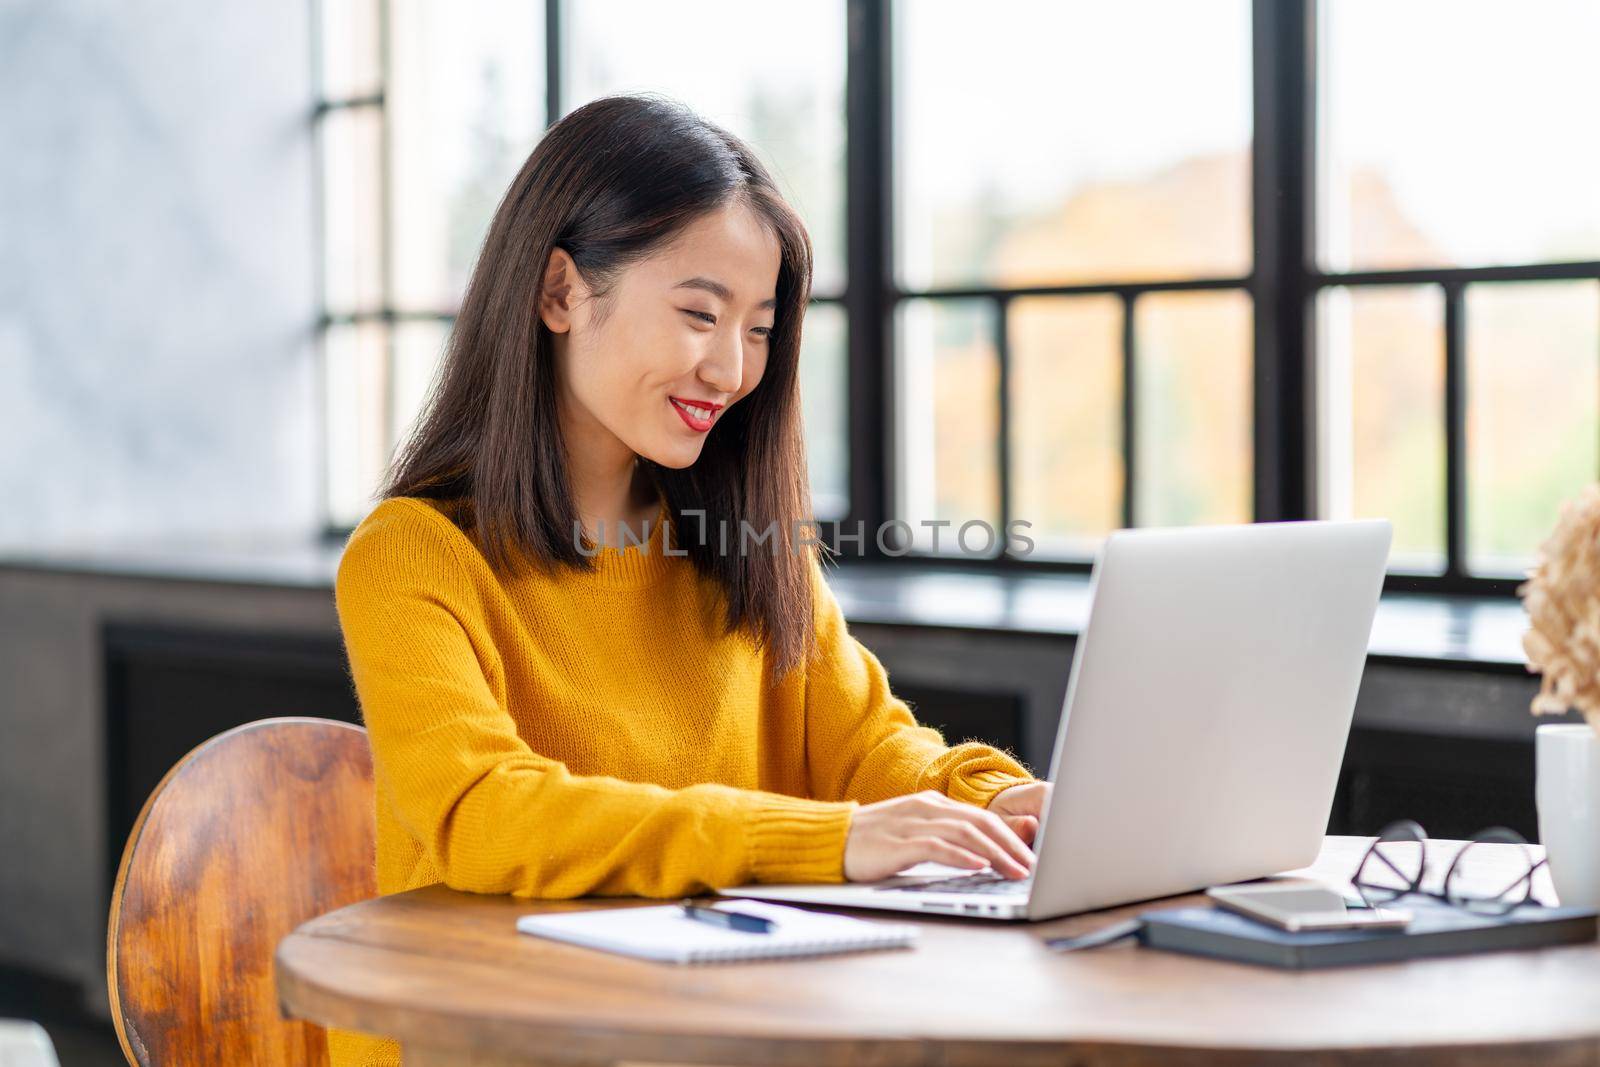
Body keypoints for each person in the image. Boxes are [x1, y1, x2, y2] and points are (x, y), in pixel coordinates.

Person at [330, 93, 1049, 1067]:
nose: (731, 367)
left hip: (707, 1027)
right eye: (698, 314)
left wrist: (997, 804)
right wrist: (824, 839)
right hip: (490, 1034)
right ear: (559, 293)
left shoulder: (742, 540)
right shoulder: (412, 553)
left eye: (758, 328)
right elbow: (484, 814)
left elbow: (873, 752)